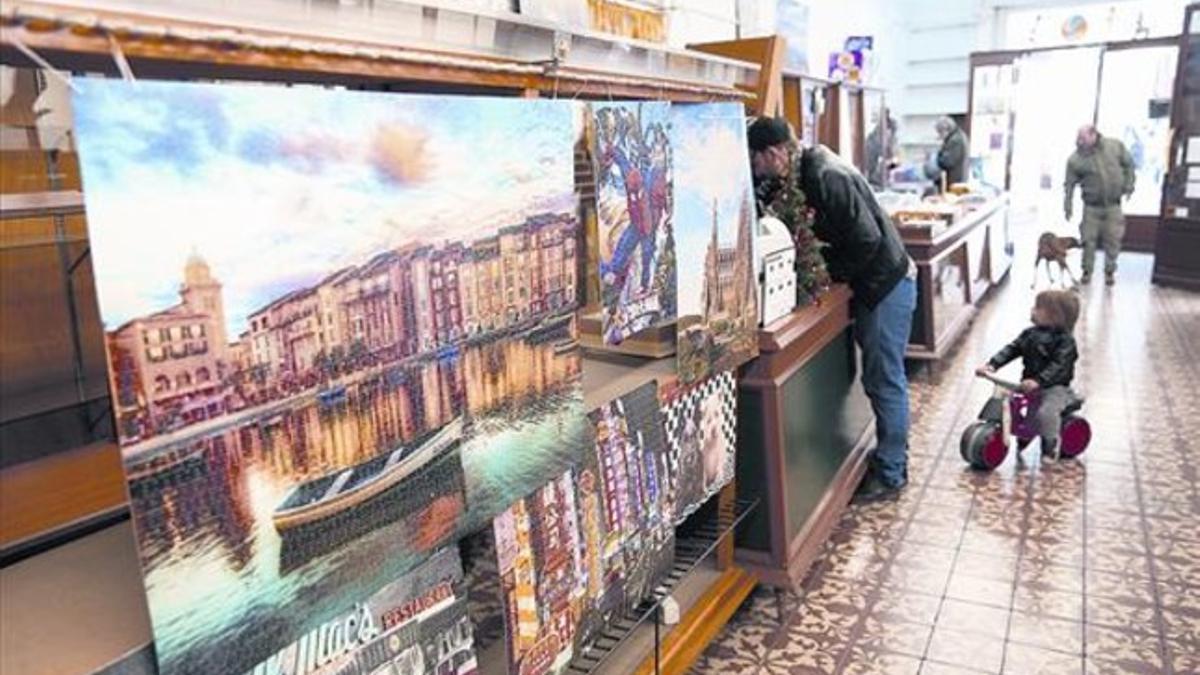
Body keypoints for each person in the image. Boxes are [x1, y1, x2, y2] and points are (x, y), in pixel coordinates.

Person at [748, 117, 917, 501]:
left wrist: (825, 275)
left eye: (757, 163)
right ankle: (891, 458)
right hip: (879, 284)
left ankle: (892, 473)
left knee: (884, 380)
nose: (757, 173)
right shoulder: (807, 170)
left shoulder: (826, 175)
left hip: (886, 287)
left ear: (774, 154)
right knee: (882, 379)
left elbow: (867, 242)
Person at [977, 290, 1081, 460]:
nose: (1032, 310)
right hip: (1029, 384)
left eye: (1038, 308)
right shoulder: (1030, 334)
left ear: (1056, 315)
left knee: (1046, 412)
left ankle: (1050, 444)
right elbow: (1012, 349)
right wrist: (992, 364)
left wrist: (1039, 380)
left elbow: (1059, 366)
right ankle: (1024, 431)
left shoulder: (1065, 342)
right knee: (1014, 404)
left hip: (1055, 387)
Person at [1063, 124, 1135, 286]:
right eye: (1078, 138)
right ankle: (1086, 272)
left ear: (1093, 135)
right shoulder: (1075, 159)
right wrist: (1068, 206)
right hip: (1091, 207)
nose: (1079, 141)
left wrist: (1129, 186)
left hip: (1113, 206)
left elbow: (1129, 164)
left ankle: (1110, 272)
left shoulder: (1114, 146)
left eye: (1083, 138)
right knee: (1088, 240)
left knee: (1113, 240)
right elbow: (1069, 184)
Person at [933, 116, 969, 187]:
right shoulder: (959, 136)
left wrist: (937, 156)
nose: (940, 135)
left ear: (945, 129)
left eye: (940, 132)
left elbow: (947, 162)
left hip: (955, 181)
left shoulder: (955, 140)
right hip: (958, 179)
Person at [865, 110, 898, 188]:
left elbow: (892, 159)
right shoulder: (874, 139)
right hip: (873, 179)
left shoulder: (885, 139)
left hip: (880, 179)